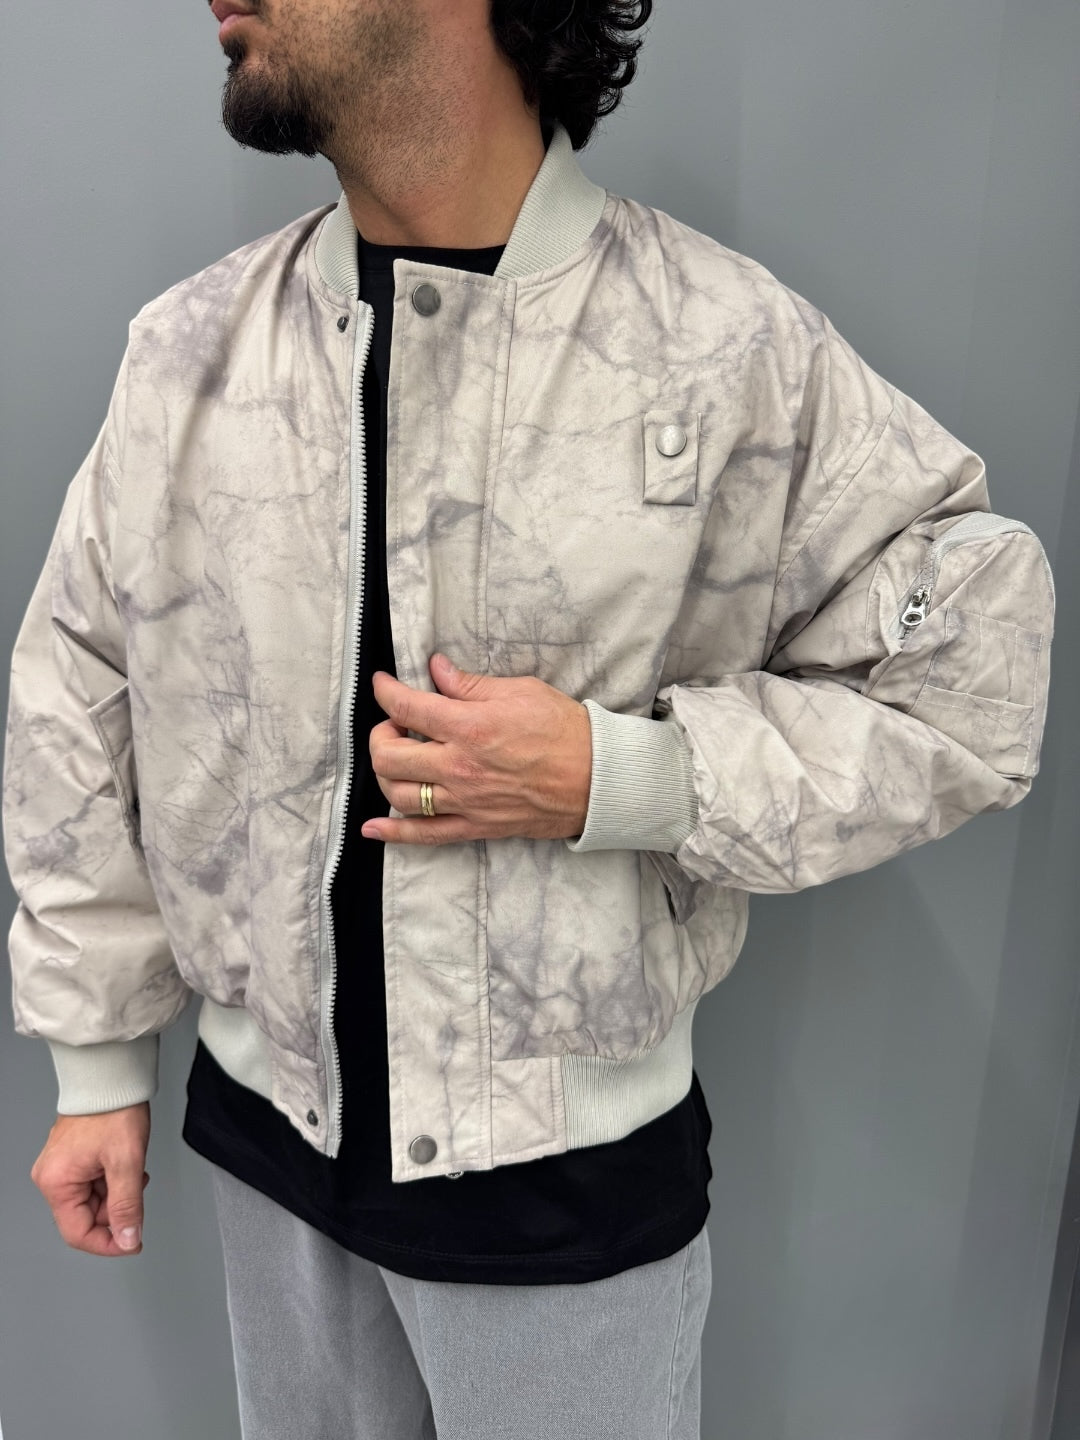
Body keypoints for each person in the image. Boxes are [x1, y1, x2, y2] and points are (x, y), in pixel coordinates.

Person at [2, 0, 1055, 1436]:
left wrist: (625, 777)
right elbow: (76, 683)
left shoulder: (714, 344)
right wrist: (96, 1062)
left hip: (567, 1205)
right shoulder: (192, 350)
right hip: (268, 1154)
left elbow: (974, 677)